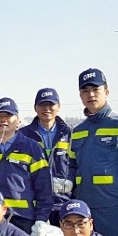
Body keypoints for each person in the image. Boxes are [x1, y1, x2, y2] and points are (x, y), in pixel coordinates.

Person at [67, 68, 118, 236]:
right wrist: (68, 184)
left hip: (113, 210)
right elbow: (72, 165)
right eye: (85, 91)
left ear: (107, 92)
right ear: (80, 95)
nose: (90, 94)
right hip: (83, 210)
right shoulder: (77, 132)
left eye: (96, 89)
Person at [0, 98, 53, 234]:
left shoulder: (32, 148)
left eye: (8, 116)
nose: (3, 120)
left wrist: (41, 218)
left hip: (24, 219)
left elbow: (44, 187)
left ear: (18, 120)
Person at [19, 88, 72, 226]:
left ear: (59, 107)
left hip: (63, 204)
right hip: (34, 204)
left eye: (51, 105)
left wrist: (70, 182)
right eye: (42, 105)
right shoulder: (23, 135)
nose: (47, 109)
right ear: (35, 108)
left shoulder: (69, 135)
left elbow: (75, 165)